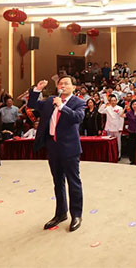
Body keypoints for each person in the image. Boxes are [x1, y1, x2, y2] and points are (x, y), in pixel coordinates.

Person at [28, 76, 86, 232]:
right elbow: (32, 104)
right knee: (58, 182)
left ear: (74, 87)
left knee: (73, 182)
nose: (63, 86)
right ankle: (61, 213)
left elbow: (78, 118)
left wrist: (62, 107)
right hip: (53, 147)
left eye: (66, 83)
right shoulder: (50, 100)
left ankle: (76, 215)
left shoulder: (78, 102)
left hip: (70, 148)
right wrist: (37, 90)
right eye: (60, 83)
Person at [98, 94, 124, 159]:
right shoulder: (108, 108)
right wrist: (104, 104)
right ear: (110, 101)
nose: (113, 102)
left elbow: (121, 118)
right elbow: (100, 111)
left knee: (118, 142)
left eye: (114, 100)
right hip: (109, 127)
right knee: (109, 142)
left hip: (117, 128)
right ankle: (111, 155)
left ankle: (118, 155)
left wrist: (120, 127)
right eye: (112, 101)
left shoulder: (120, 108)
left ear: (116, 101)